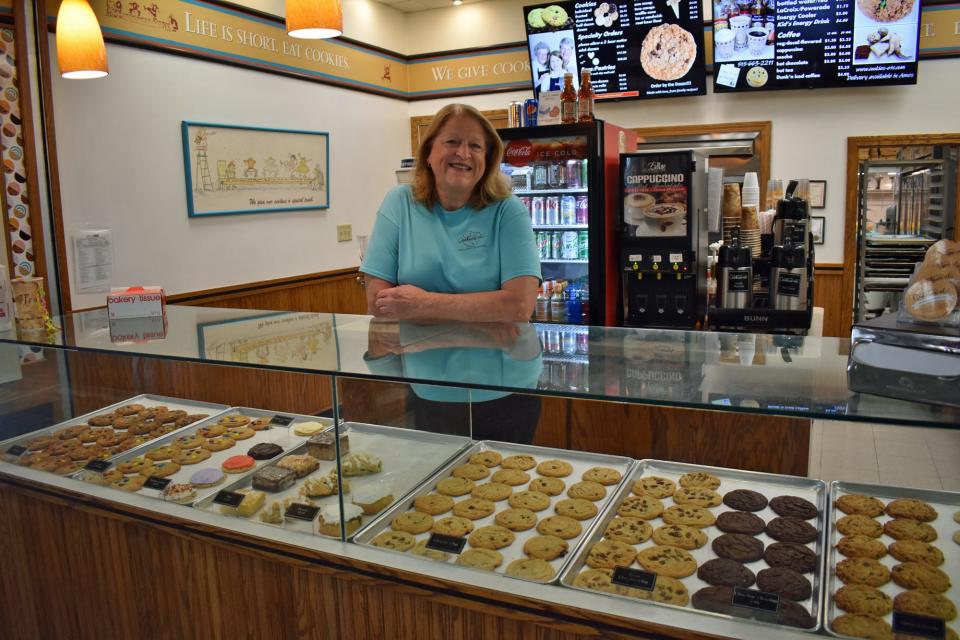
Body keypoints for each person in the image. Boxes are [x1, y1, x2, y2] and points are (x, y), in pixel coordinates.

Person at [360, 103, 543, 443]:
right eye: (452, 142)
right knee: (439, 492)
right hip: (430, 390)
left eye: (476, 146)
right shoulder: (399, 202)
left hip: (506, 389)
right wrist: (481, 314)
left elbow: (519, 306)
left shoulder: (508, 210)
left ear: (487, 159)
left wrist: (420, 305)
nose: (464, 153)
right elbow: (378, 303)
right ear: (429, 152)